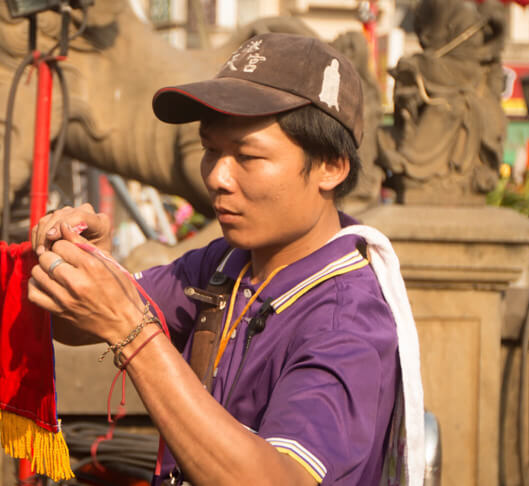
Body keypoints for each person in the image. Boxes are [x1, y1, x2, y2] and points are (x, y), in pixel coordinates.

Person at [27, 33, 421, 486]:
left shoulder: (345, 321)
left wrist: (132, 335)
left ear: (331, 167)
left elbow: (278, 480)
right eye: (211, 149)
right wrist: (79, 260)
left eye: (247, 156)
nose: (217, 176)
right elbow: (70, 322)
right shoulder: (225, 265)